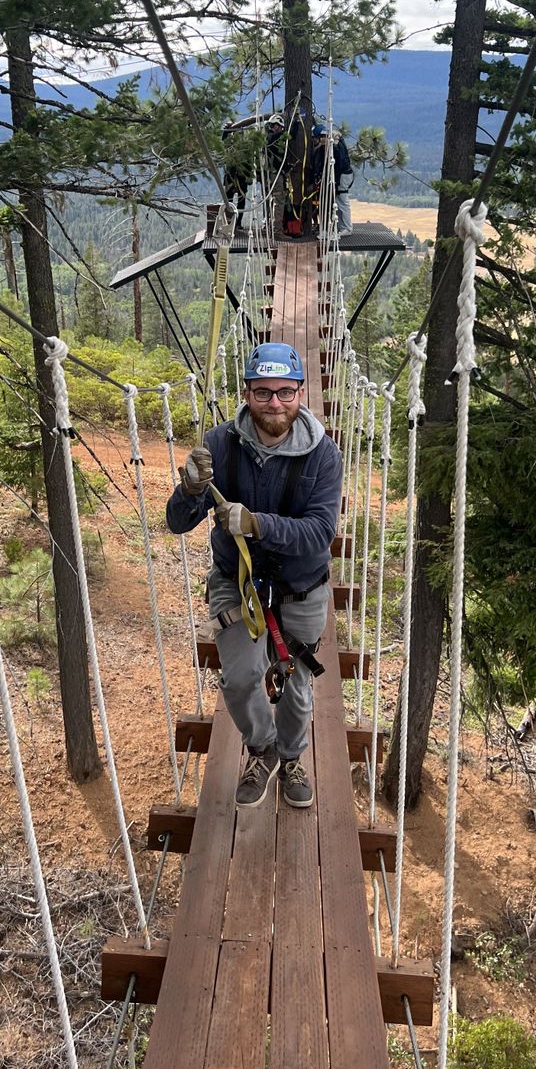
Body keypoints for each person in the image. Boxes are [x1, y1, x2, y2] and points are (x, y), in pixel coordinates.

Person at [166, 342, 342, 811]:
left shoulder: (324, 456)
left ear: (301, 393)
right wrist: (190, 489)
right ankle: (262, 749)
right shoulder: (219, 445)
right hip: (237, 581)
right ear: (246, 394)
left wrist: (258, 523)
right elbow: (178, 523)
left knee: (296, 687)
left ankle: (291, 758)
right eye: (264, 393)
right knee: (241, 679)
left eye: (286, 392)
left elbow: (321, 532)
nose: (276, 404)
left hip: (301, 585)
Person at [309, 122, 354, 236]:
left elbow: (338, 165)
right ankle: (341, 227)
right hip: (338, 177)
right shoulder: (327, 148)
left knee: (341, 201)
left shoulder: (334, 148)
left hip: (340, 176)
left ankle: (347, 228)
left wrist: (336, 182)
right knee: (336, 202)